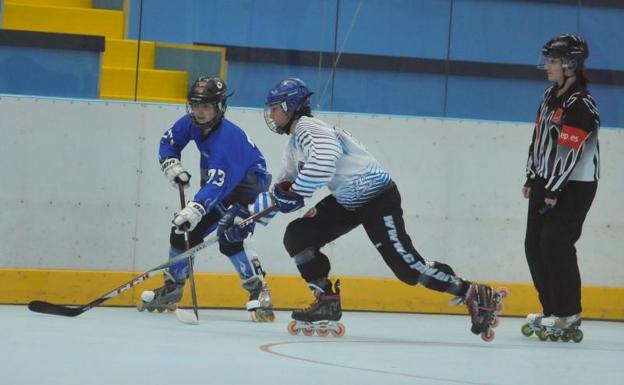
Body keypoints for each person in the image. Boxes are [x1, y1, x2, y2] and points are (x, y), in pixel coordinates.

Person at [256, 77, 506, 339]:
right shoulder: (294, 144)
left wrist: (297, 192)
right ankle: (326, 299)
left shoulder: (309, 127)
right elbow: (281, 186)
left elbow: (324, 162)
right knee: (298, 235)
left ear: (290, 105)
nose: (271, 115)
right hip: (348, 201)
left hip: (377, 198)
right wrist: (246, 219)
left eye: (274, 108)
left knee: (407, 268)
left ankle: (471, 292)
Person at [138, 76, 275, 322]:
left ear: (219, 107)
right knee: (182, 231)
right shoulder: (192, 123)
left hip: (248, 188)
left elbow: (218, 183)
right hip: (218, 185)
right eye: (195, 105)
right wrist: (172, 164)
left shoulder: (227, 140)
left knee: (231, 237)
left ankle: (259, 289)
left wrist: (197, 207)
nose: (199, 111)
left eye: (206, 106)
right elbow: (169, 141)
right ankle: (174, 287)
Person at [522, 34, 599, 338]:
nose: (547, 67)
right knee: (534, 245)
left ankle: (569, 313)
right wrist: (533, 176)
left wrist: (553, 189)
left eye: (552, 61)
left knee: (556, 242)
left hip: (574, 186)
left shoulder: (581, 104)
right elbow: (539, 137)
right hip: (547, 180)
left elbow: (570, 152)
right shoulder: (548, 95)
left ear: (570, 65)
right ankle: (553, 309)